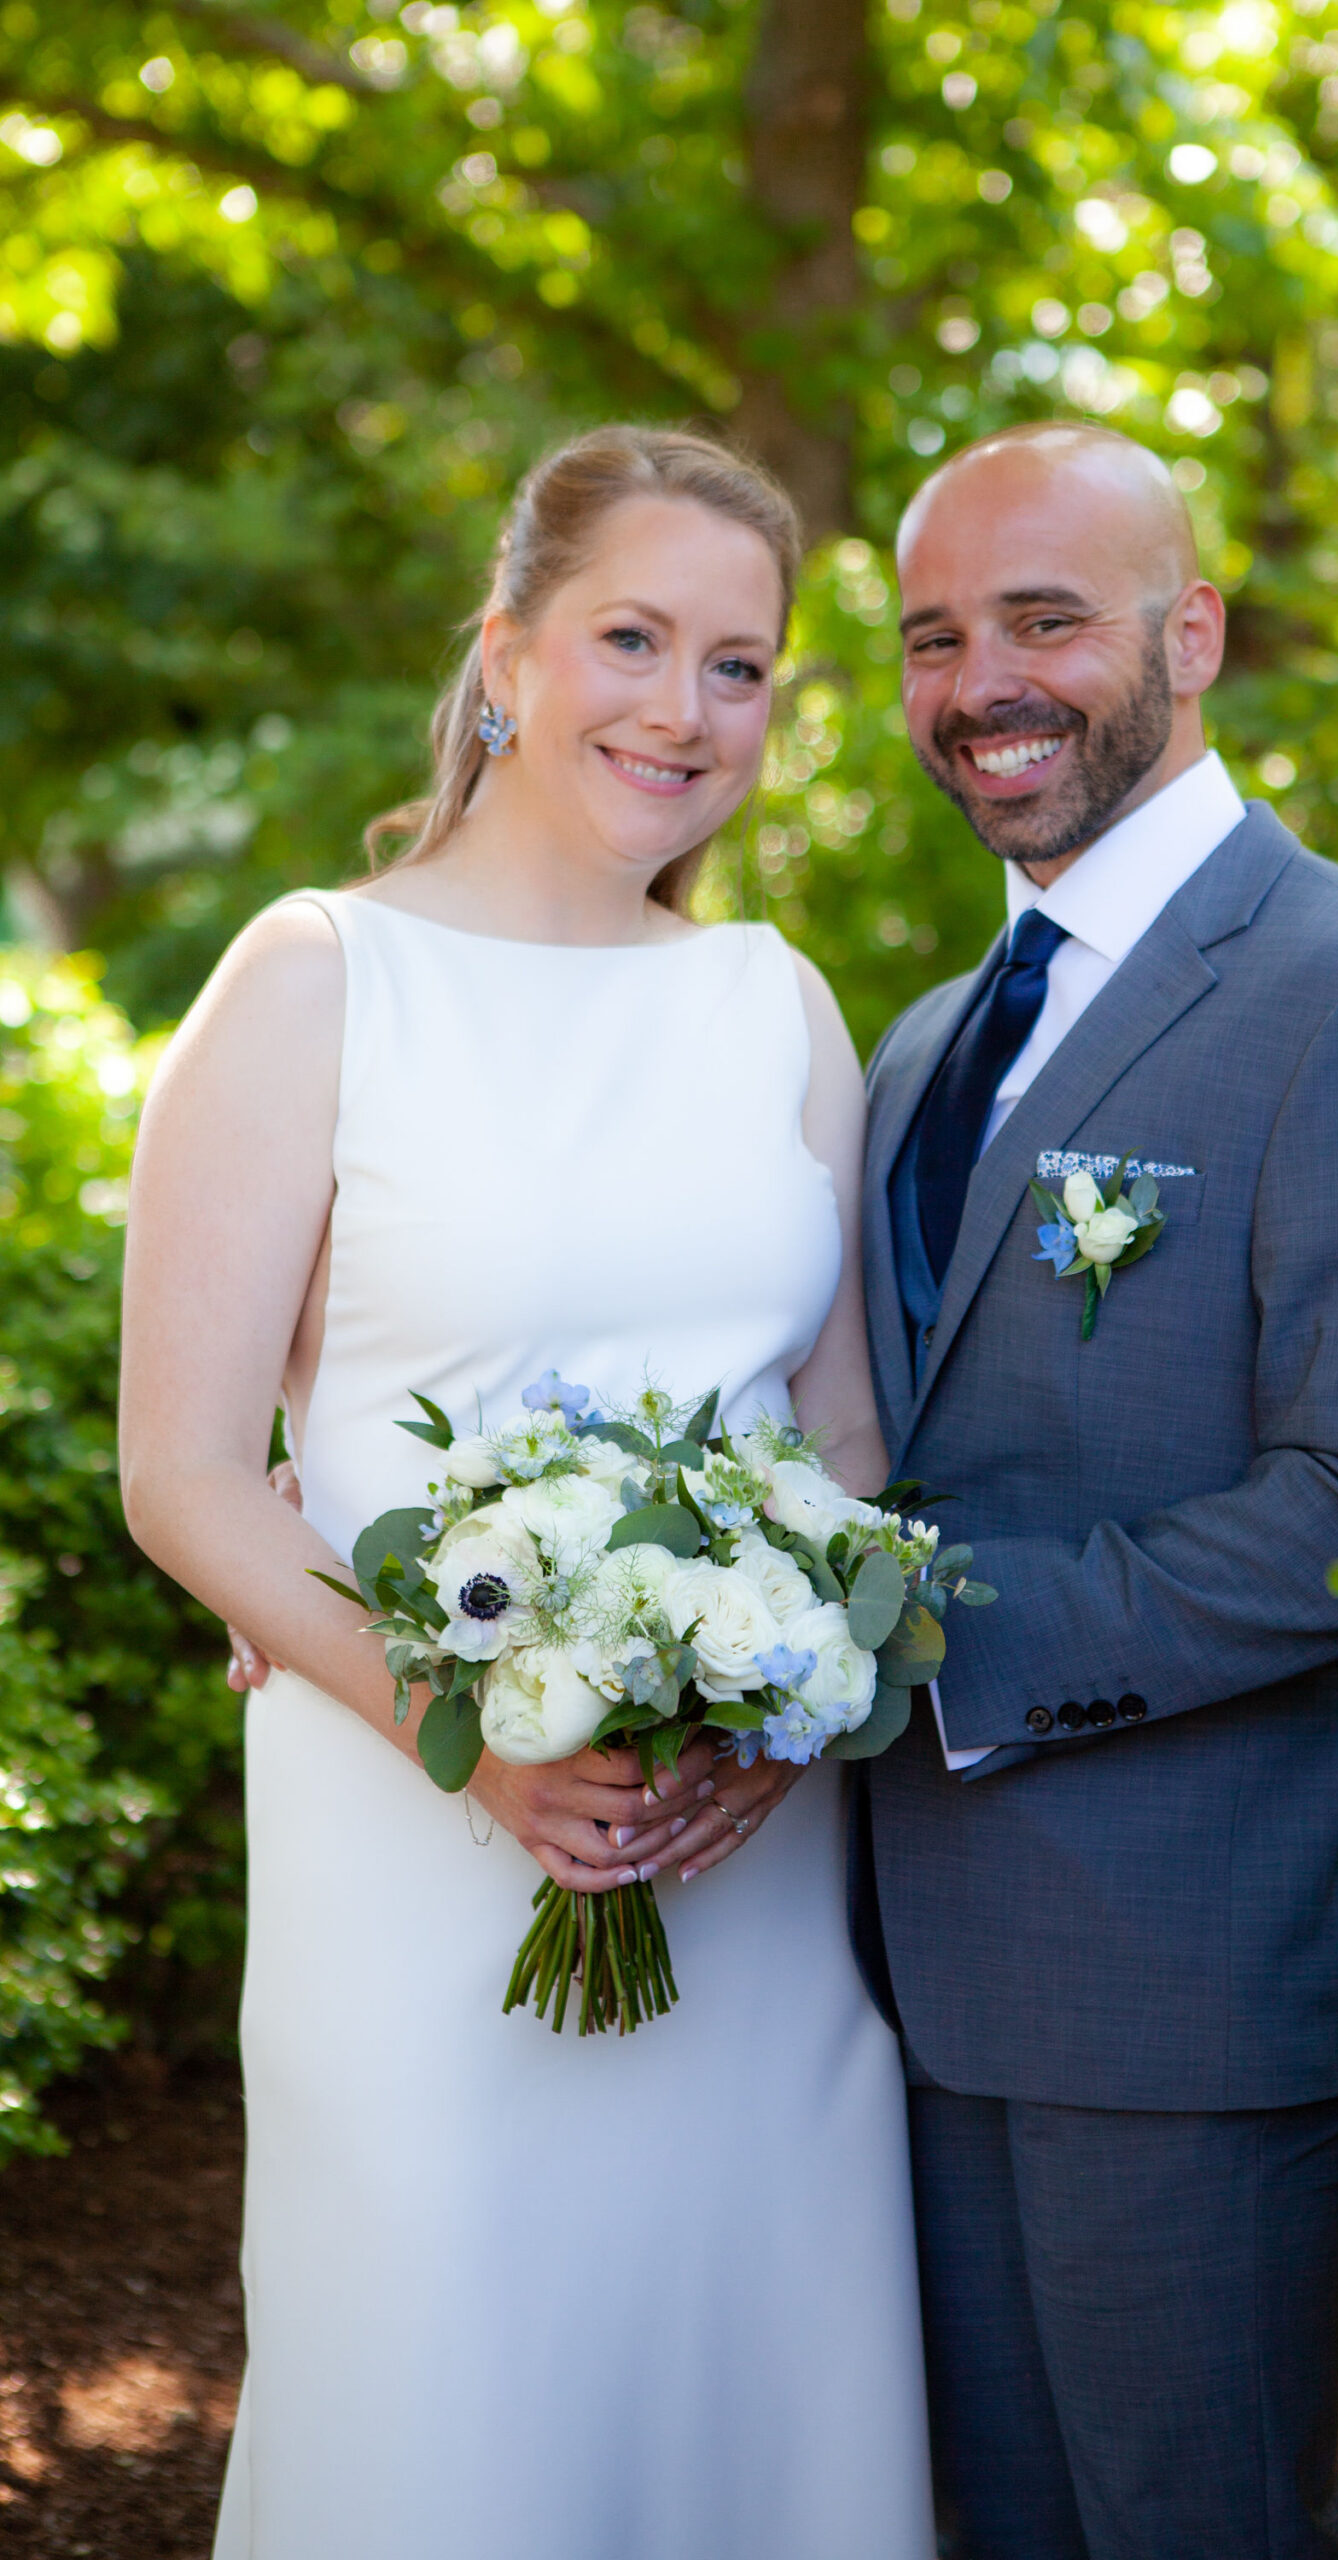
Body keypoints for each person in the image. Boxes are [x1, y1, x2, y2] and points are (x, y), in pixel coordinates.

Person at [119, 426, 934, 2560]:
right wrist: (469, 1743)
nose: (684, 708)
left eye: (740, 665)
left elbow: (844, 1443)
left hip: (747, 1848)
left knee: (752, 2367)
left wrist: (778, 1720)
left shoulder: (770, 1003)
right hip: (419, 1832)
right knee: (450, 2380)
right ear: (505, 655)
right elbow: (186, 1471)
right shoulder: (313, 978)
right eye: (632, 639)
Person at [853, 421, 1338, 2560]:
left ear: (1193, 632)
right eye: (930, 637)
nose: (982, 682)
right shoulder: (921, 1040)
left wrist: (911, 1640)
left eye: (1042, 619)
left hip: (1188, 1963)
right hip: (904, 1957)